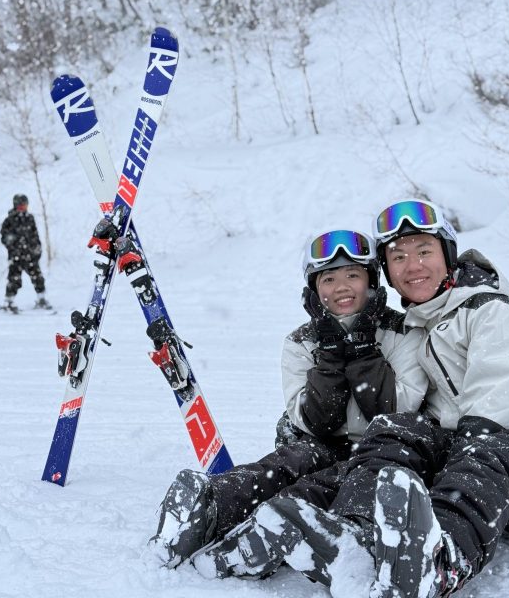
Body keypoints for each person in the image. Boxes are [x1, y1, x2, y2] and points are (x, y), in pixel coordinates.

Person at [199, 199, 509, 598]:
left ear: (448, 254)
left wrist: (434, 474)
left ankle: (440, 561)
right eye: (398, 257)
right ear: (387, 272)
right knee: (392, 435)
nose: (412, 266)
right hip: (469, 449)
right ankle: (348, 533)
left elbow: (492, 409)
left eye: (424, 251)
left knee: (481, 453)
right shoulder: (420, 323)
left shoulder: (490, 310)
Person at [149, 228, 428, 573]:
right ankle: (212, 506)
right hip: (324, 442)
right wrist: (330, 353)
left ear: (371, 282)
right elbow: (313, 421)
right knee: (287, 464)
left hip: (383, 450)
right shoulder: (301, 342)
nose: (341, 287)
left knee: (328, 485)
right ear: (314, 289)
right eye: (329, 279)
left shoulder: (404, 332)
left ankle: (271, 529)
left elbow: (395, 411)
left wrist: (362, 348)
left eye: (352, 275)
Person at [0, 194, 52, 313]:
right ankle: (9, 302)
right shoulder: (9, 220)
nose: (23, 208)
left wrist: (37, 249)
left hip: (30, 255)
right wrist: (12, 245)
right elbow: (4, 238)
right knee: (14, 279)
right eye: (21, 206)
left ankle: (41, 299)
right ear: (15, 205)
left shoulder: (30, 218)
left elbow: (35, 236)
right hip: (16, 256)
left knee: (38, 277)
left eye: (25, 205)